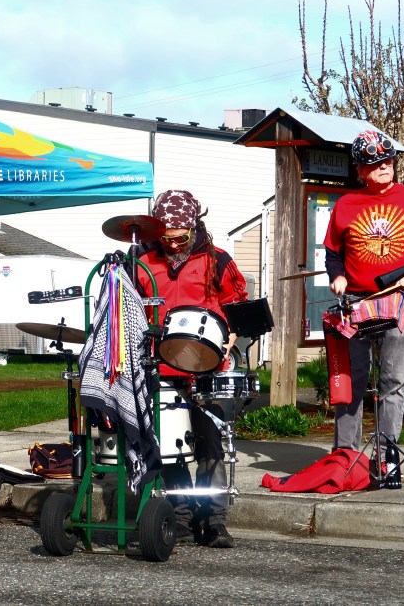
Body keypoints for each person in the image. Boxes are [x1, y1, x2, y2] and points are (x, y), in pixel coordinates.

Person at [134, 189, 248, 549]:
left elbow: (237, 306)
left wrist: (228, 340)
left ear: (194, 227)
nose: (171, 244)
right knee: (170, 444)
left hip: (206, 368)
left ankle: (213, 520)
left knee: (209, 443)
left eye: (179, 238)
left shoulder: (216, 260)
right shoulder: (142, 261)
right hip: (161, 366)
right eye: (165, 237)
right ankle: (180, 515)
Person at [324, 130, 404, 462]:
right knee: (351, 379)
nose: (385, 166)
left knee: (393, 379)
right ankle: (345, 455)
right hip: (357, 303)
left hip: (400, 300)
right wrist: (337, 277)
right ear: (360, 170)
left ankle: (387, 456)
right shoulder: (346, 204)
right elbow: (333, 252)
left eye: (388, 160)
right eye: (376, 163)